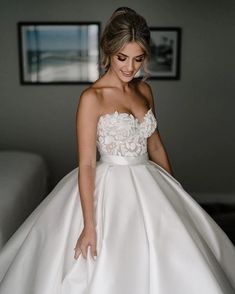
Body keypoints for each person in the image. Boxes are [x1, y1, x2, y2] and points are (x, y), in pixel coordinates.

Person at [0, 6, 235, 294]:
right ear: (108, 51)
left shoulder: (145, 91)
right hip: (109, 186)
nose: (129, 67)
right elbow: (86, 163)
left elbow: (156, 145)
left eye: (138, 59)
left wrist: (177, 193)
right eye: (122, 58)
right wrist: (89, 225)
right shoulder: (92, 98)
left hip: (149, 180)